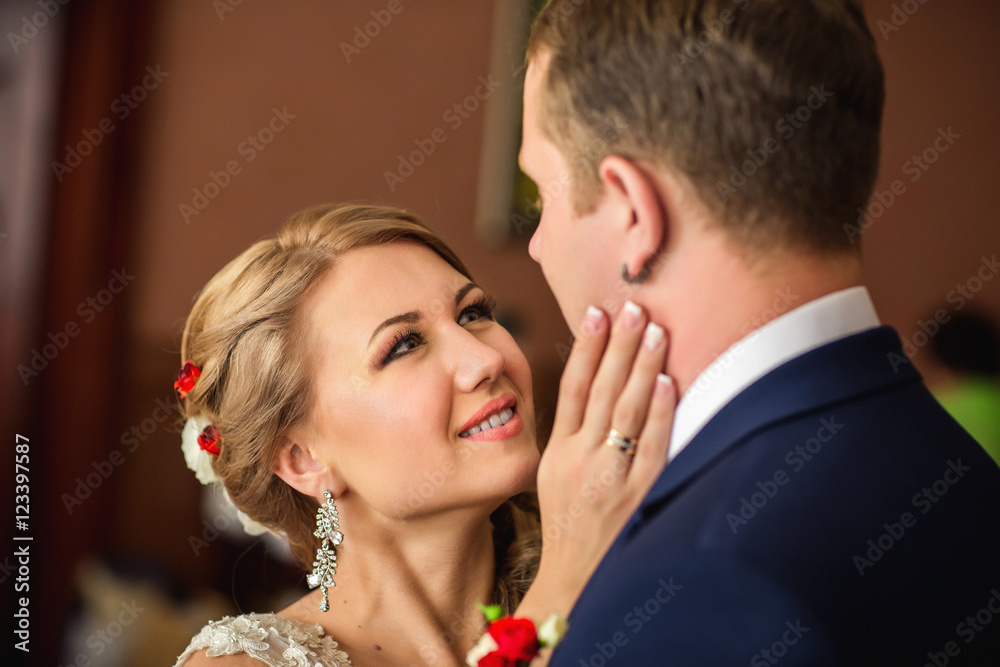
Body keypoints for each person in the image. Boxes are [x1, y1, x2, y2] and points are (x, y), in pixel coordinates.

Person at [515, 0, 1000, 664]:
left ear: (634, 212)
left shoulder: (699, 583)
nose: (539, 245)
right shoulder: (958, 462)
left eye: (542, 195)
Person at [171, 203, 676, 666]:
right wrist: (561, 586)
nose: (488, 360)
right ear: (303, 458)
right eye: (404, 345)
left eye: (473, 314)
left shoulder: (639, 597)